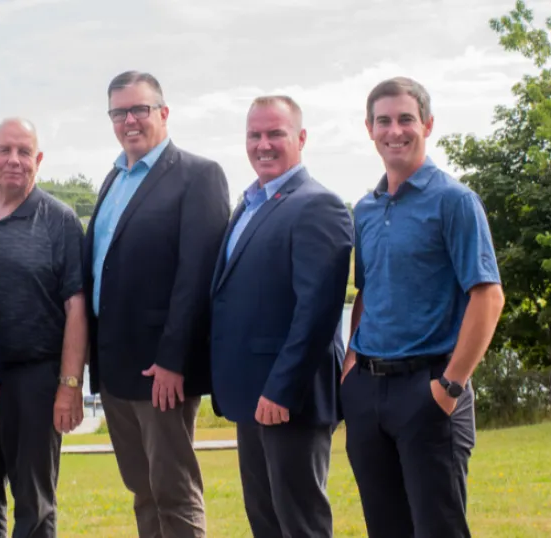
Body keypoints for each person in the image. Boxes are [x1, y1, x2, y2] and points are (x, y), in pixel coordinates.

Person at [341, 77, 505, 538]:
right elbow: (369, 291)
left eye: (406, 119)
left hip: (429, 390)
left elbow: (488, 296)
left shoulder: (454, 201)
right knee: (385, 528)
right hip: (367, 394)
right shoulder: (366, 209)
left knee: (438, 530)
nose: (395, 130)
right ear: (369, 130)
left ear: (427, 125)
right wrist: (351, 360)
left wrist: (450, 386)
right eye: (384, 121)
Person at [83, 70, 230, 538]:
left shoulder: (198, 176)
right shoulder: (112, 179)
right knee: (142, 490)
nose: (129, 120)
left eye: (139, 109)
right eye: (119, 112)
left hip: (161, 372)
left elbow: (196, 277)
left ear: (163, 113)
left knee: (174, 491)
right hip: (115, 369)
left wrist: (173, 360)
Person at [209, 96, 353, 538]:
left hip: (291, 399)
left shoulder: (318, 205)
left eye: (276, 133)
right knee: (266, 521)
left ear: (301, 138)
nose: (263, 144)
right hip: (253, 398)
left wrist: (281, 391)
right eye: (254, 135)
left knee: (301, 523)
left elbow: (317, 313)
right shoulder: (249, 203)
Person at [0, 117, 88, 538]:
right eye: (5, 151)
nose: (14, 160)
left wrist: (69, 385)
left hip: (35, 381)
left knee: (34, 504)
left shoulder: (59, 219)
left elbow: (77, 308)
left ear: (39, 159)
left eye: (24, 152)